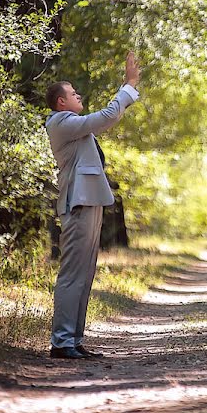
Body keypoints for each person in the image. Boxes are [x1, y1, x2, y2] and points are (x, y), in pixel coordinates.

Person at [44, 52, 141, 359]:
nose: (78, 96)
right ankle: (61, 342)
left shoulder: (72, 123)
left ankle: (73, 340)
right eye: (73, 94)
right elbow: (105, 117)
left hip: (90, 204)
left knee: (85, 274)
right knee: (73, 274)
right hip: (78, 205)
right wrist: (127, 86)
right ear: (61, 102)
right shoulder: (61, 122)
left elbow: (106, 120)